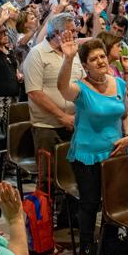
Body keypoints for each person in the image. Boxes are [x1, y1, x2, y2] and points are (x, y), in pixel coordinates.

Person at [56, 35, 128, 255]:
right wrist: (68, 59)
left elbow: (127, 114)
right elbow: (62, 88)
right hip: (88, 154)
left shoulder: (117, 83)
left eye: (102, 56)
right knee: (90, 203)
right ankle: (87, 247)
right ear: (85, 65)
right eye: (93, 58)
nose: (100, 61)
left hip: (116, 153)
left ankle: (110, 243)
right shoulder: (81, 88)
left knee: (113, 201)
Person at [23, 13, 84, 156]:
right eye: (72, 31)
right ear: (57, 33)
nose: (76, 34)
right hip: (48, 128)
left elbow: (82, 83)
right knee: (49, 175)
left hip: (76, 123)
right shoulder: (37, 53)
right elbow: (34, 92)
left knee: (74, 174)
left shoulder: (73, 53)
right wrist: (63, 116)